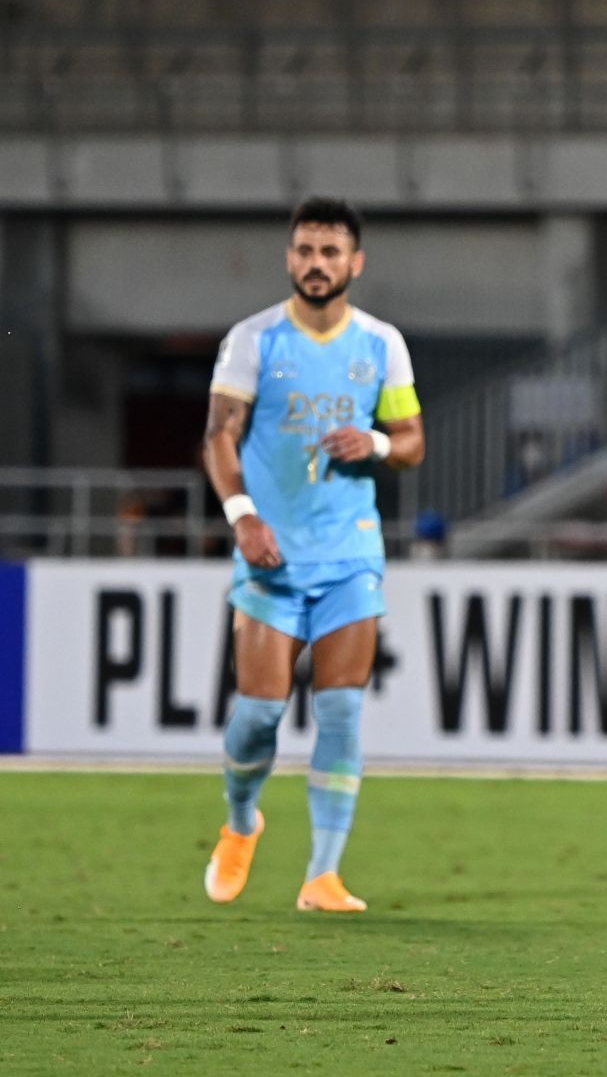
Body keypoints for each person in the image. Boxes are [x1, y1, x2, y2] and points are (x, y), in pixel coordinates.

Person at [201, 197, 425, 913]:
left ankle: (322, 874)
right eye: (305, 250)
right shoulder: (255, 340)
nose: (316, 263)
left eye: (330, 252)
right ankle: (242, 820)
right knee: (260, 714)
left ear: (355, 262)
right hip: (271, 552)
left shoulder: (382, 344)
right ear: (289, 257)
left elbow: (414, 440)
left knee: (340, 709)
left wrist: (380, 443)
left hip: (351, 551)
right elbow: (218, 438)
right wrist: (242, 518)